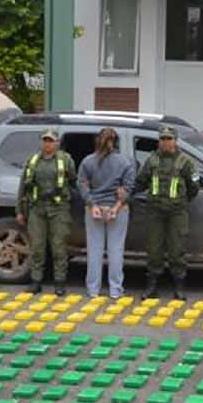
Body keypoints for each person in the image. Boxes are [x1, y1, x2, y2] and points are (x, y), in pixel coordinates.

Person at [135, 125, 199, 300]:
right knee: (154, 250)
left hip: (177, 213)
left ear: (175, 141)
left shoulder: (185, 162)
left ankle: (179, 286)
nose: (165, 142)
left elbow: (194, 188)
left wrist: (180, 201)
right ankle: (152, 285)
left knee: (177, 249)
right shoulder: (152, 161)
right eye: (162, 139)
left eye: (169, 139)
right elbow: (140, 182)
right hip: (155, 212)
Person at [77, 127, 134, 298]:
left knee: (94, 251)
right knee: (115, 251)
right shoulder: (124, 163)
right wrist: (116, 207)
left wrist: (92, 204)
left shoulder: (87, 161)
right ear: (116, 143)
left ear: (97, 141)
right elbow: (129, 187)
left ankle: (93, 289)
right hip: (118, 211)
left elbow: (81, 184)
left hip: (94, 210)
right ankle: (115, 290)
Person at [17, 128, 73, 294]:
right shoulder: (33, 160)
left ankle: (60, 282)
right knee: (37, 247)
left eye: (51, 141)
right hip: (37, 208)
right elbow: (23, 187)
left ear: (57, 143)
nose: (47, 144)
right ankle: (36, 281)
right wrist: (19, 211)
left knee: (59, 247)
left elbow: (73, 181)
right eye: (45, 140)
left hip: (59, 209)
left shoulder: (66, 160)